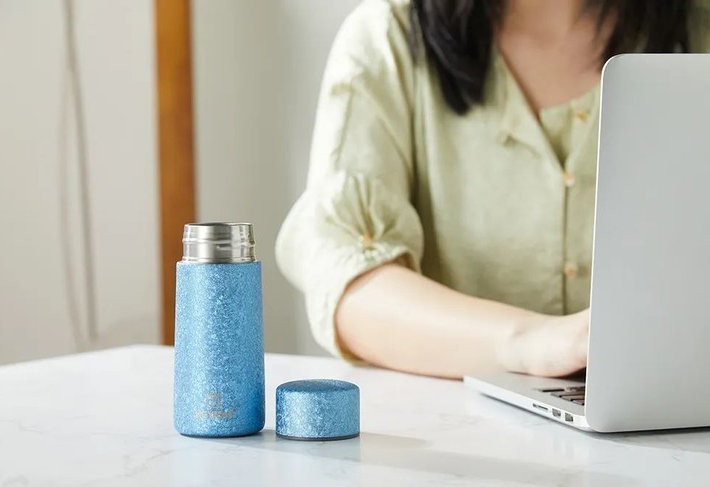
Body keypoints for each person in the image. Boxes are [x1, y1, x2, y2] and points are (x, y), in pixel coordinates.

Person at [276, 0, 710, 379]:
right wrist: (533, 342)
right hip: (457, 439)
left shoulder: (699, 31)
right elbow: (349, 284)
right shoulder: (389, 37)